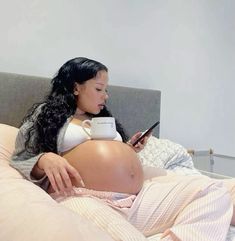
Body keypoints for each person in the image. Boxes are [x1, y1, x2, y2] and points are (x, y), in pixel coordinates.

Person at [10, 57, 234, 241]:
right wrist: (43, 160)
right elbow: (21, 156)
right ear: (76, 87)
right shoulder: (47, 114)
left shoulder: (103, 119)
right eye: (99, 88)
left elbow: (106, 157)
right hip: (82, 197)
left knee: (213, 191)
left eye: (106, 90)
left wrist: (128, 150)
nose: (105, 96)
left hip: (133, 199)